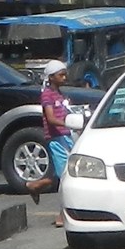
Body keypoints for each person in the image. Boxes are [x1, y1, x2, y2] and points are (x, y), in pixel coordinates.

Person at [38, 62, 78, 229]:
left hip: (66, 136)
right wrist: (67, 124)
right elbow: (51, 118)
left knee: (62, 173)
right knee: (65, 177)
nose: (64, 77)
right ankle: (62, 215)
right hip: (56, 139)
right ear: (51, 77)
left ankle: (34, 185)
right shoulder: (47, 95)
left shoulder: (60, 94)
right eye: (61, 74)